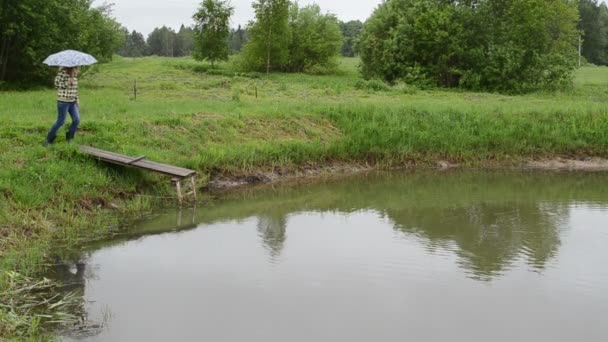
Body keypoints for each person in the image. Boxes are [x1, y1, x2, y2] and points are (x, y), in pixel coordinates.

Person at [44, 67, 80, 146]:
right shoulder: (62, 73)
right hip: (63, 101)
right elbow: (56, 85)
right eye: (76, 67)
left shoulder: (75, 75)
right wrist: (67, 83)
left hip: (72, 102)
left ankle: (70, 138)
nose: (77, 68)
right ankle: (48, 140)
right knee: (61, 121)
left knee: (76, 120)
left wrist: (77, 100)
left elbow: (75, 89)